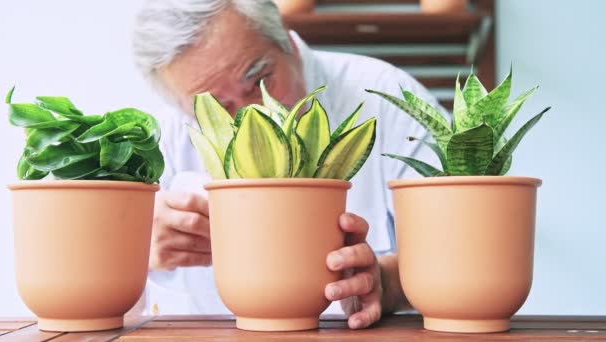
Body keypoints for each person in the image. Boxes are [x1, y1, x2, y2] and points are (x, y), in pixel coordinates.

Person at [132, 0, 445, 329]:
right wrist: (139, 248)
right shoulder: (165, 138)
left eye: (260, 81)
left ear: (288, 41)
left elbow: (458, 253)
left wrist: (386, 282)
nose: (251, 116)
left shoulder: (386, 99)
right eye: (216, 107)